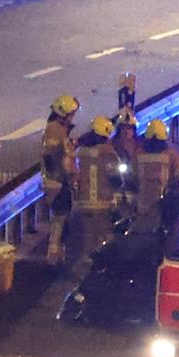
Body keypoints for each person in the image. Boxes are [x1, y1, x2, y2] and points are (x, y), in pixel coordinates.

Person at [74, 116, 124, 267]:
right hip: (103, 204)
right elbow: (116, 179)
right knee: (104, 238)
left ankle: (87, 265)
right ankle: (101, 268)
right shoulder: (108, 153)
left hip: (83, 203)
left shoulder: (81, 151)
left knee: (88, 237)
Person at [41, 95, 79, 265]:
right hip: (57, 182)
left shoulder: (59, 129)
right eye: (71, 113)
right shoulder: (55, 129)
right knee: (60, 219)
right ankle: (53, 258)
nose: (72, 116)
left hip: (59, 181)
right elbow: (51, 155)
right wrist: (62, 174)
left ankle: (57, 254)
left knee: (62, 219)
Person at [136, 119, 179, 232]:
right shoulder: (171, 154)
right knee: (172, 231)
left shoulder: (138, 154)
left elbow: (130, 176)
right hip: (164, 207)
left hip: (141, 208)